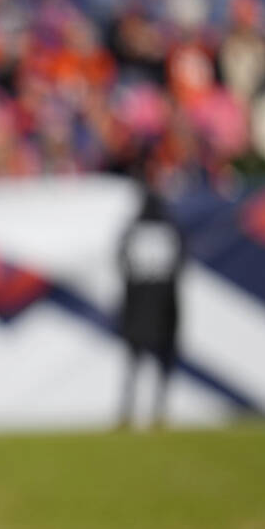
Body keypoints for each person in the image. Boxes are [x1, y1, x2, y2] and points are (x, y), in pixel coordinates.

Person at [116, 183, 185, 429]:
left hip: (138, 306)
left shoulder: (133, 231)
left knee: (135, 364)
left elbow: (121, 262)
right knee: (157, 363)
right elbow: (180, 264)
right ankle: (156, 412)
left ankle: (131, 413)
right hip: (163, 306)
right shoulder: (170, 230)